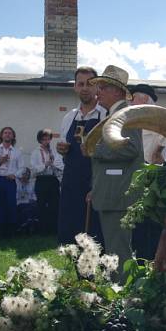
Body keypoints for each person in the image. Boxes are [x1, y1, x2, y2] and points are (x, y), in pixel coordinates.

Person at [88, 65, 144, 276]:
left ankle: (122, 297)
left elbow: (131, 147)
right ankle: (118, 291)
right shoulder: (116, 114)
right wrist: (96, 187)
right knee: (115, 248)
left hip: (118, 194)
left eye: (102, 87)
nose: (98, 91)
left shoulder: (124, 114)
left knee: (119, 250)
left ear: (117, 91)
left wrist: (96, 149)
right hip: (112, 192)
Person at [57, 66, 106, 245]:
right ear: (75, 87)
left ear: (97, 87)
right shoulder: (69, 117)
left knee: (95, 234)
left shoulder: (105, 115)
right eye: (80, 84)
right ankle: (78, 270)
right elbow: (62, 149)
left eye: (89, 84)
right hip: (71, 182)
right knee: (71, 231)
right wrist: (60, 149)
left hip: (95, 181)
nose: (85, 88)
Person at [129, 83, 166, 260]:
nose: (131, 101)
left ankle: (151, 258)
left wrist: (161, 156)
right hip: (130, 177)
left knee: (151, 222)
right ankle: (136, 256)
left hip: (152, 178)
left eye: (134, 97)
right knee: (134, 222)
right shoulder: (128, 120)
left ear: (145, 99)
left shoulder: (159, 122)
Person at [30, 128, 63, 234]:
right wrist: (45, 165)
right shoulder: (35, 152)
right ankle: (42, 229)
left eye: (48, 139)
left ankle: (53, 228)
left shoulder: (53, 151)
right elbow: (34, 169)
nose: (46, 141)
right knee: (42, 205)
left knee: (54, 205)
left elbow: (60, 166)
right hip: (41, 180)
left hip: (52, 180)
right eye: (44, 139)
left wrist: (54, 165)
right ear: (40, 140)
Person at [0, 126, 20, 236]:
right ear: (1, 135)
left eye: (10, 133)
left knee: (11, 205)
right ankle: (0, 230)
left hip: (10, 181)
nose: (7, 134)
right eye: (5, 133)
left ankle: (11, 231)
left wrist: (15, 175)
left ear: (13, 136)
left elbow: (22, 167)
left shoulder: (17, 152)